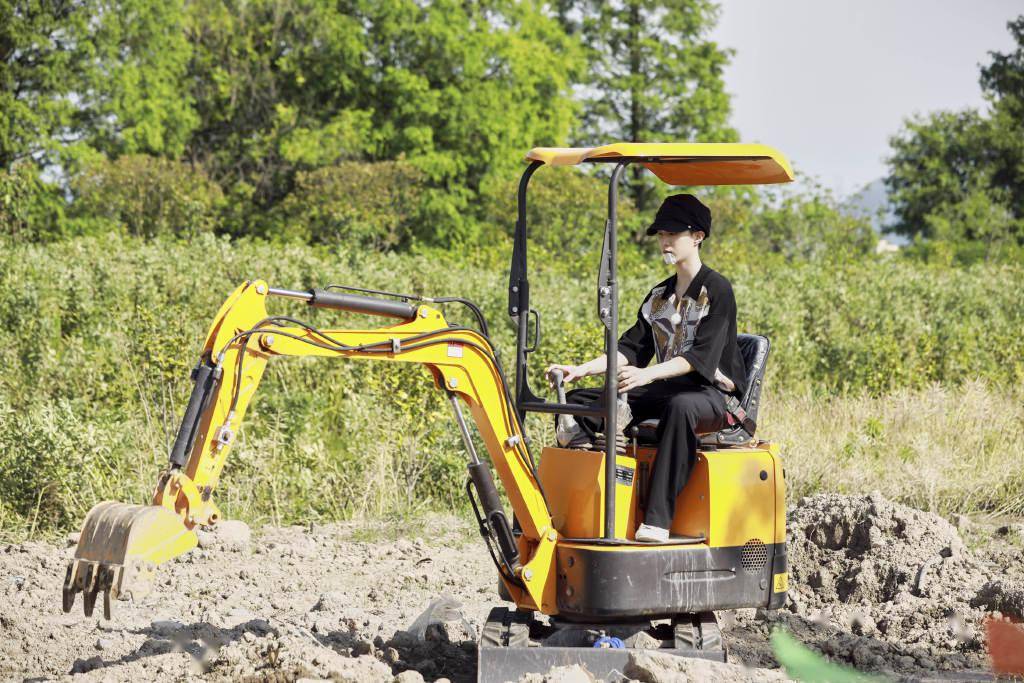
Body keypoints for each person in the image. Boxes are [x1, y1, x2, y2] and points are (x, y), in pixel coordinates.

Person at [546, 194, 748, 543]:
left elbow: (700, 360)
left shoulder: (717, 290)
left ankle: (657, 519)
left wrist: (648, 374)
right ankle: (592, 502)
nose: (665, 240)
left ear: (697, 236)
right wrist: (579, 370)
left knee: (681, 407)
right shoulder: (658, 295)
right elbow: (629, 349)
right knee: (580, 402)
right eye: (661, 233)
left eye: (673, 233)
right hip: (667, 389)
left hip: (713, 396)